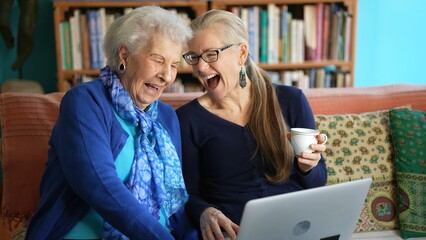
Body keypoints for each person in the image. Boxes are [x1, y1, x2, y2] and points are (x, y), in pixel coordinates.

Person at [25, 6, 197, 240]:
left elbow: (175, 207)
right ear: (124, 55)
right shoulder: (85, 103)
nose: (167, 76)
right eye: (158, 60)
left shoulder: (166, 118)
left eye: (174, 65)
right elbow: (99, 185)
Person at [177, 9, 328, 240]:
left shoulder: (291, 101)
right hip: (235, 234)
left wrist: (308, 167)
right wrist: (204, 212)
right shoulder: (188, 120)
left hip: (298, 229)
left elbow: (318, 182)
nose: (200, 68)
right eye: (194, 57)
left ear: (241, 53)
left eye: (210, 54)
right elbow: (188, 194)